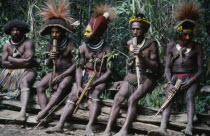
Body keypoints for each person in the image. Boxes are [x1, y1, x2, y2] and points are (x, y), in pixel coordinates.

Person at [45, 4, 116, 135]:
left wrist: (95, 83)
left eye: (88, 32)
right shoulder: (83, 47)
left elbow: (109, 71)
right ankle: (60, 125)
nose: (85, 34)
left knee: (95, 94)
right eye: (86, 31)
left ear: (97, 33)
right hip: (85, 77)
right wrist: (78, 85)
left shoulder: (107, 49)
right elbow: (79, 68)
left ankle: (89, 126)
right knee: (73, 93)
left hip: (100, 79)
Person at [148, 2, 203, 136]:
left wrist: (190, 81)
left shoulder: (196, 47)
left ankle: (189, 127)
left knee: (189, 96)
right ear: (179, 34)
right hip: (174, 78)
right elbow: (167, 68)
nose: (188, 38)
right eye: (185, 35)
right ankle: (162, 127)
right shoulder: (171, 47)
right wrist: (170, 83)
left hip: (190, 78)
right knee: (169, 96)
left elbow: (201, 70)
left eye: (190, 35)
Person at [103, 13, 161, 136]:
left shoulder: (151, 44)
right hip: (132, 76)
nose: (135, 32)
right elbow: (130, 65)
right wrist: (124, 80)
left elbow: (156, 67)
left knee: (132, 99)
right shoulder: (130, 43)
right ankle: (107, 130)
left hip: (147, 77)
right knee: (118, 97)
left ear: (144, 30)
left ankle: (124, 130)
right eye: (133, 29)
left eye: (138, 29)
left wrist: (142, 57)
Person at [36, 0, 79, 121]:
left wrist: (64, 74)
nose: (54, 34)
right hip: (55, 72)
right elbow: (49, 66)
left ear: (63, 32)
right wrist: (50, 57)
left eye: (57, 32)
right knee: (40, 86)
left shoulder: (71, 44)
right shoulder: (49, 45)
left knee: (63, 85)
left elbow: (77, 64)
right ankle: (47, 115)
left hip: (68, 73)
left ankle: (44, 112)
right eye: (52, 32)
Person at [0, 19, 38, 122]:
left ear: (22, 30)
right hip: (11, 70)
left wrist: (11, 59)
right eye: (13, 30)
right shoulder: (7, 44)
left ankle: (23, 112)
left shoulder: (28, 42)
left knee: (24, 82)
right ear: (9, 31)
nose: (15, 32)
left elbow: (28, 63)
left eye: (17, 30)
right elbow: (3, 63)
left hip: (29, 70)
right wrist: (21, 60)